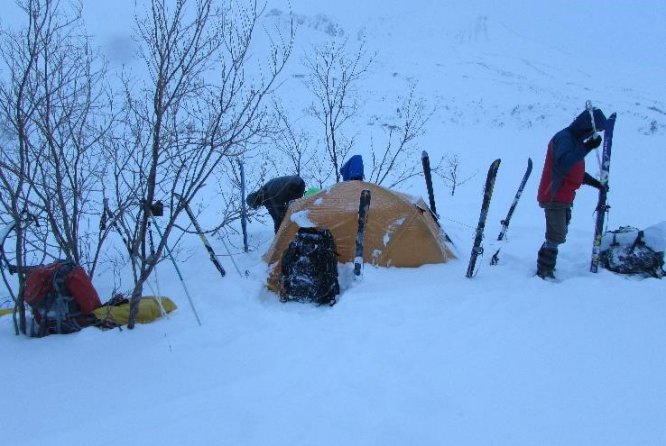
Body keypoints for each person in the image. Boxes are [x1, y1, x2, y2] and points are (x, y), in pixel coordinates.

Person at [535, 105, 608, 279]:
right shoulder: (565, 138)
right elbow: (564, 162)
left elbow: (575, 171)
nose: (593, 134)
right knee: (556, 235)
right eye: (594, 130)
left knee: (559, 234)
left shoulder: (574, 142)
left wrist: (595, 183)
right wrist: (588, 147)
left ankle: (545, 266)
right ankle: (544, 271)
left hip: (564, 196)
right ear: (588, 126)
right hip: (553, 194)